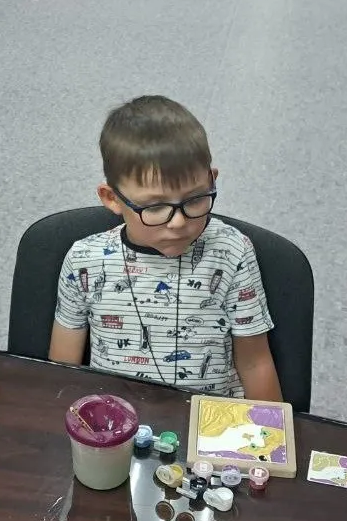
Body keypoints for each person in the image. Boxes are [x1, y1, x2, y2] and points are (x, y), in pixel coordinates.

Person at [48, 95, 283, 401]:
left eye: (195, 199)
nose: (179, 222)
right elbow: (63, 372)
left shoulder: (232, 251)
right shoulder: (84, 260)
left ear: (212, 181)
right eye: (155, 207)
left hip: (209, 421)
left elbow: (255, 364)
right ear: (112, 199)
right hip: (114, 420)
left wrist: (272, 428)